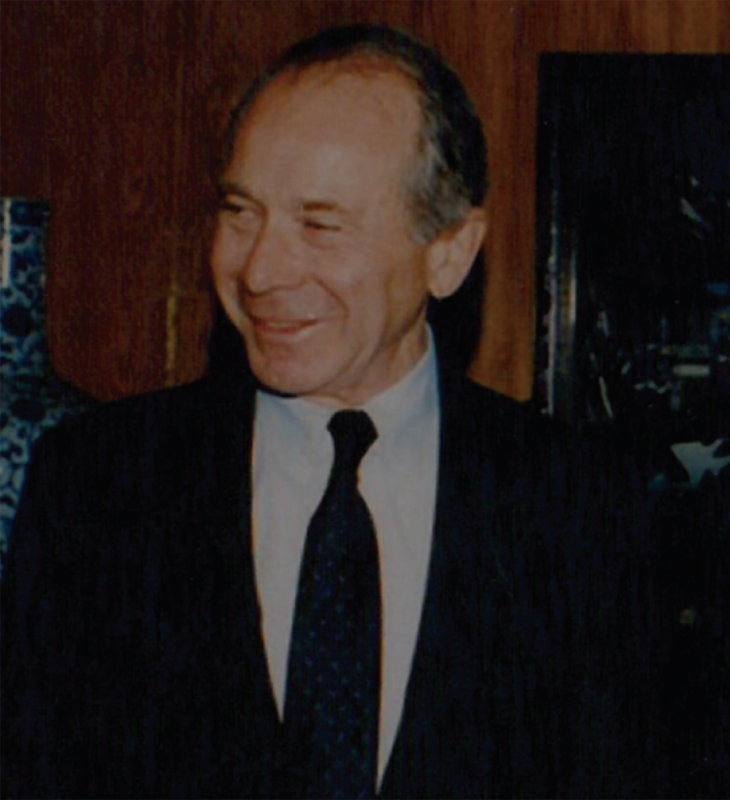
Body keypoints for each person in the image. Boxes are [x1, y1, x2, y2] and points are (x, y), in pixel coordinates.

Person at [1, 24, 663, 798]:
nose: (259, 269)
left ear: (449, 253)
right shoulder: (98, 482)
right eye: (241, 211)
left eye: (319, 225)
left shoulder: (580, 507)